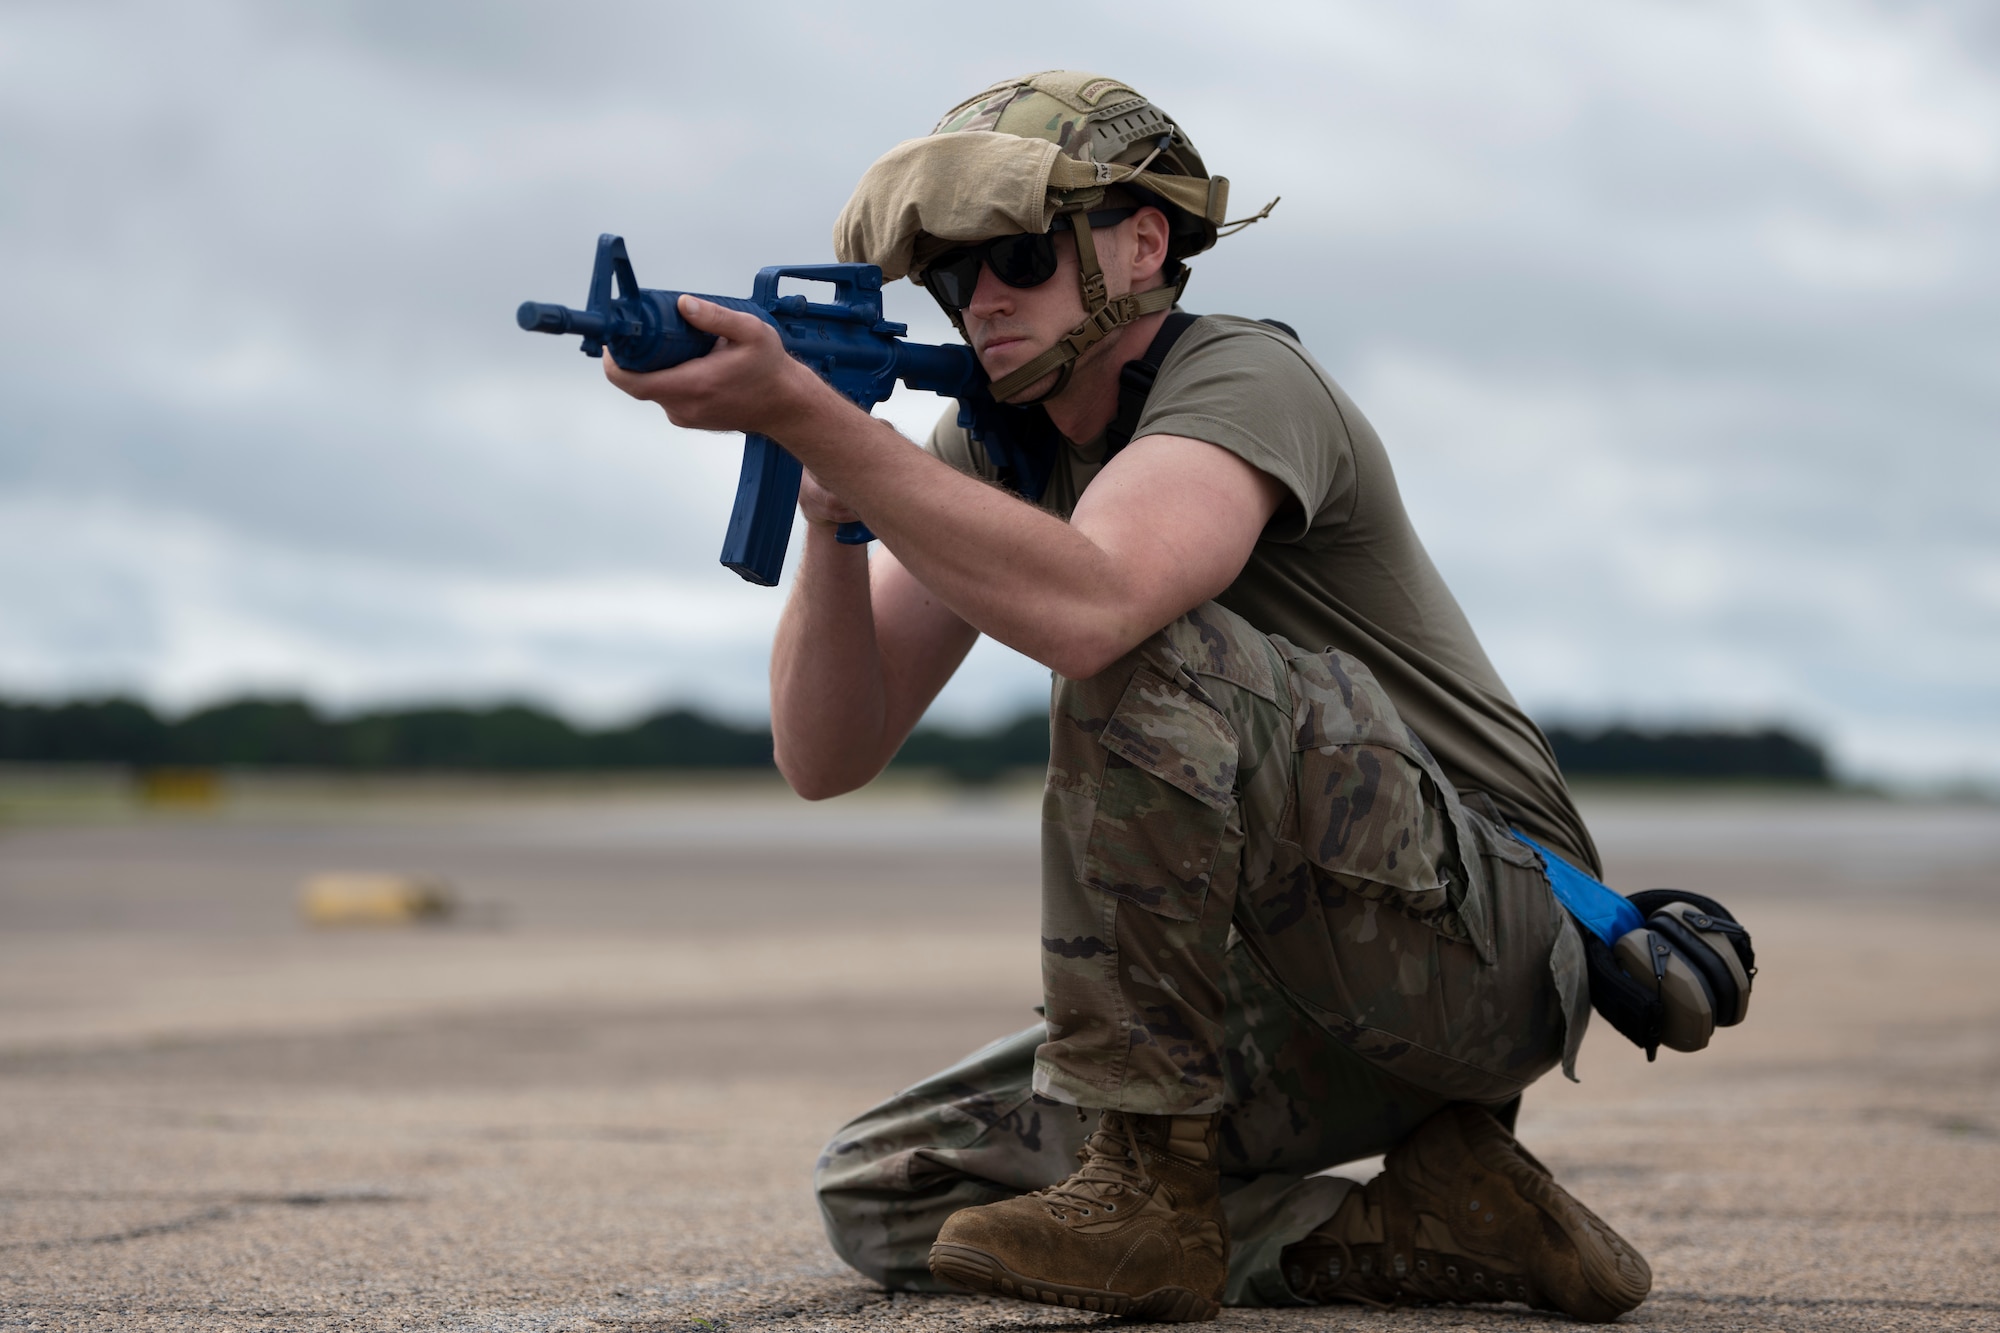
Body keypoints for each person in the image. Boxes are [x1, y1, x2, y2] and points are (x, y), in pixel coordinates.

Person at [606, 70, 1652, 1323]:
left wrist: (830, 433)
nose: (979, 298)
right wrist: (838, 507)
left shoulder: (1244, 381)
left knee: (1139, 650)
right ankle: (1413, 1223)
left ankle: (1147, 1194)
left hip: (1475, 945)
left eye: (1013, 255)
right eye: (947, 277)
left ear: (1139, 245)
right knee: (889, 1191)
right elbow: (826, 753)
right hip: (1291, 1000)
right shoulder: (997, 442)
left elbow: (1095, 604)